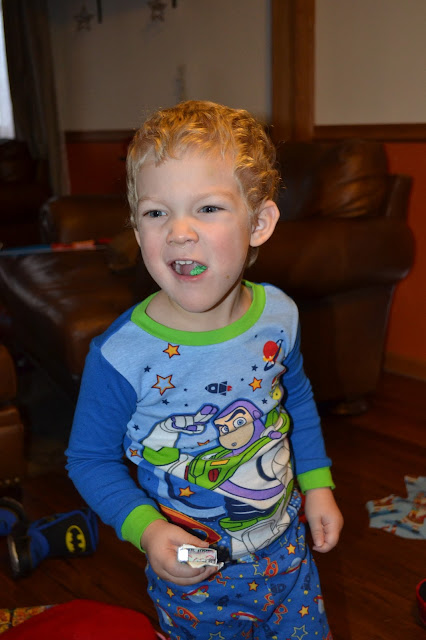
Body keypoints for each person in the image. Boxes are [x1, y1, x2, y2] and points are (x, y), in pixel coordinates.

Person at [66, 100, 343, 640]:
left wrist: (317, 483)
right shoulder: (121, 356)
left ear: (258, 223)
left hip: (288, 557)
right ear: (136, 228)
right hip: (195, 584)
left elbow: (297, 400)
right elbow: (88, 459)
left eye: (208, 208)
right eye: (156, 213)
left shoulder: (279, 316)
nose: (179, 232)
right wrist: (147, 530)